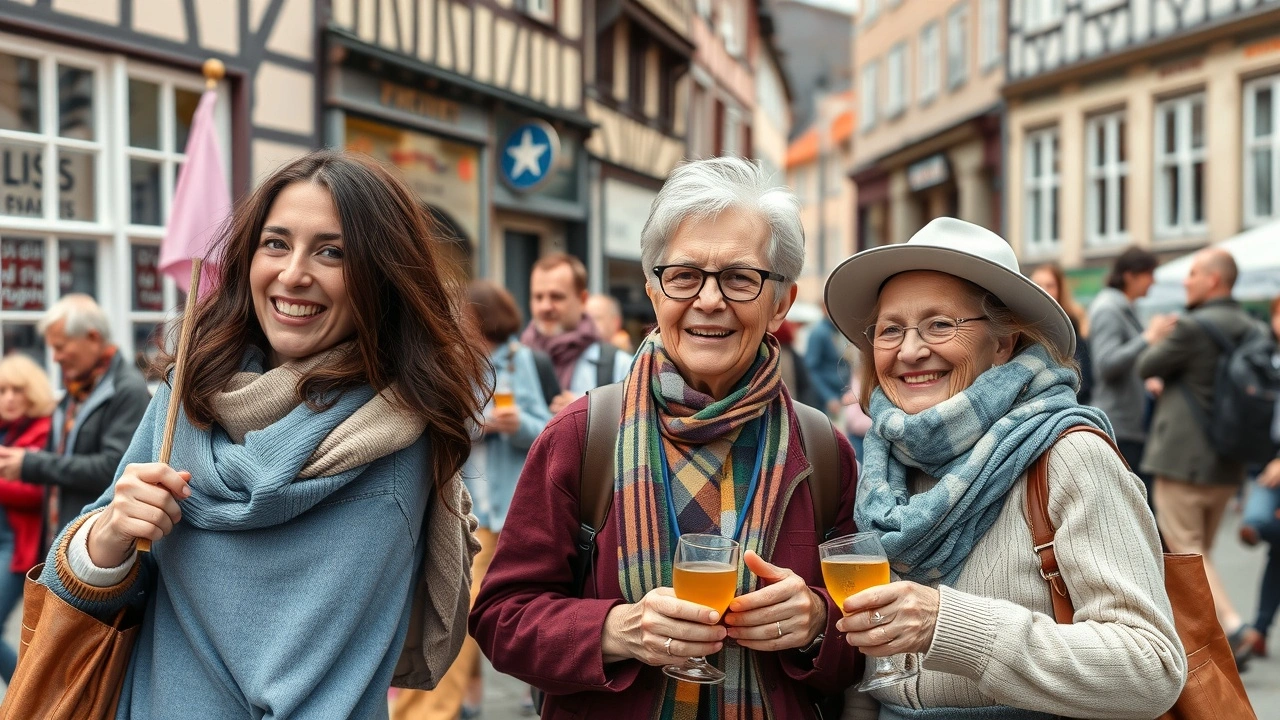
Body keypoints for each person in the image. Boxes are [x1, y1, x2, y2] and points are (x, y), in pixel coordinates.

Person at [36, 150, 489, 717]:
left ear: (380, 275)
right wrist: (107, 537)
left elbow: (321, 695)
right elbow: (72, 582)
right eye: (275, 243)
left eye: (332, 252)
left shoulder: (391, 436)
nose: (293, 273)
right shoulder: (189, 392)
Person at [471, 156, 860, 719]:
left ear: (781, 302)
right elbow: (501, 618)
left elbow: (863, 642)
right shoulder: (582, 437)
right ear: (654, 292)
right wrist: (618, 629)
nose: (708, 300)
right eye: (683, 276)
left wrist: (819, 622)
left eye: (740, 278)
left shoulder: (822, 450)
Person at [825, 217, 1185, 719]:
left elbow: (1151, 668)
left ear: (1003, 342)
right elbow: (879, 679)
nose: (910, 351)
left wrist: (949, 625)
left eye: (939, 324)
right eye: (891, 330)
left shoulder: (1068, 454)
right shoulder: (882, 467)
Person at [391, 280, 553, 720]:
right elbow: (445, 427)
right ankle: (440, 708)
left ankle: (435, 710)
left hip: (514, 514)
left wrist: (518, 424)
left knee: (464, 611)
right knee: (456, 609)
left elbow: (547, 432)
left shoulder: (521, 361)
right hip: (469, 510)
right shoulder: (456, 362)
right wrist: (481, 424)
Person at [1138, 248, 1263, 665]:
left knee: (1189, 552)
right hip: (1229, 462)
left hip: (1184, 460)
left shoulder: (1193, 327)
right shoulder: (1252, 327)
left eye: (1193, 273)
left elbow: (1147, 365)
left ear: (1214, 281)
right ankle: (1205, 638)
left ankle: (1233, 627)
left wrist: (1154, 338)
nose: (1186, 281)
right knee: (1200, 551)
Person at [0, 295, 151, 551]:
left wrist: (31, 463)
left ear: (92, 338)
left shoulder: (127, 390)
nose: (55, 358)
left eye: (60, 347)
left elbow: (113, 468)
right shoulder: (79, 387)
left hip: (95, 547)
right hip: (66, 539)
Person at [1086, 246, 1176, 511]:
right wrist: (1148, 337)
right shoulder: (1108, 309)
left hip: (1128, 423)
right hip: (1118, 425)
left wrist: (1146, 379)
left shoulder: (1123, 308)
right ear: (1131, 275)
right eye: (1149, 274)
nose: (1153, 281)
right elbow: (1106, 364)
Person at [0, 353, 53, 682]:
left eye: (17, 390)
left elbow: (39, 494)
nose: (9, 398)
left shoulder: (43, 430)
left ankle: (26, 700)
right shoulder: (5, 432)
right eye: (3, 390)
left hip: (15, 545)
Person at [523, 254, 632, 414]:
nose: (545, 306)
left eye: (556, 297)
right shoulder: (514, 359)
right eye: (538, 297)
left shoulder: (618, 364)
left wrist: (589, 411)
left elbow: (639, 424)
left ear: (582, 299)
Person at [1238, 293, 1280, 662]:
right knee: (1275, 549)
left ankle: (1259, 629)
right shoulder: (1264, 356)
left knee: (1268, 532)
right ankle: (1260, 629)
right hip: (1268, 463)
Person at [1029, 262, 1094, 405]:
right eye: (1038, 285)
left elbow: (1084, 377)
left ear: (1060, 289)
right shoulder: (1024, 327)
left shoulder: (1072, 324)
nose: (1043, 290)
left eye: (1050, 285)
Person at [804, 303, 850, 419]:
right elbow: (811, 370)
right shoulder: (818, 333)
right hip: (826, 402)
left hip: (842, 397)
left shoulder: (839, 331)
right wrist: (828, 397)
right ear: (825, 309)